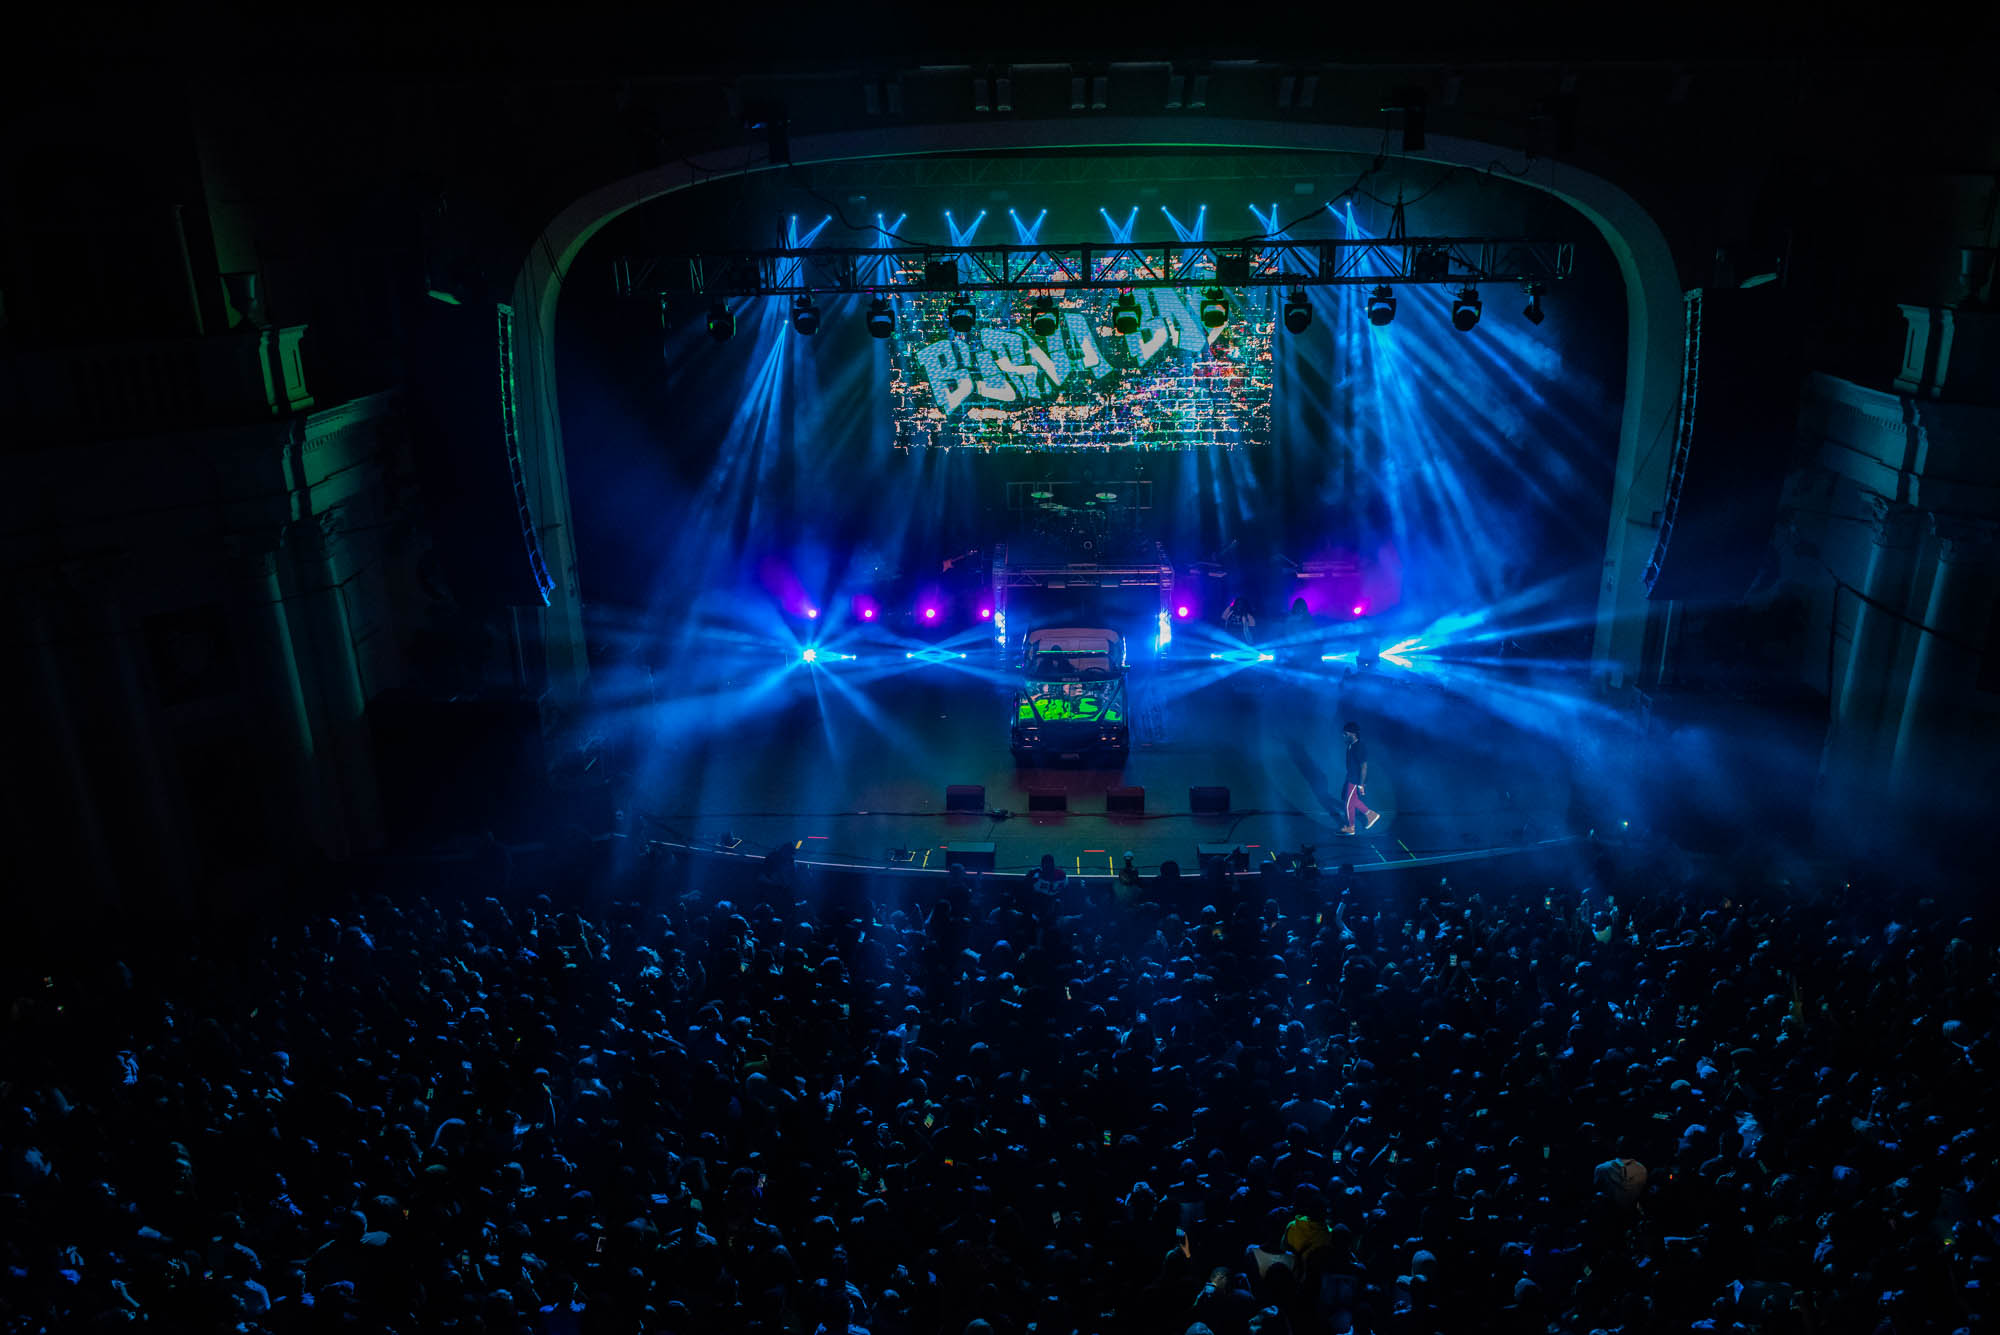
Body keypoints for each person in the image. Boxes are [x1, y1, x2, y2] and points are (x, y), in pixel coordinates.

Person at [1339, 722, 1379, 835]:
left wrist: (1361, 784)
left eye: (1345, 733)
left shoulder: (1359, 747)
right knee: (1349, 800)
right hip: (1351, 776)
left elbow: (1364, 766)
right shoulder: (1350, 745)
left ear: (1353, 734)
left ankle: (1351, 827)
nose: (1343, 735)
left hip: (1355, 779)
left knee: (1348, 803)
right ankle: (1370, 814)